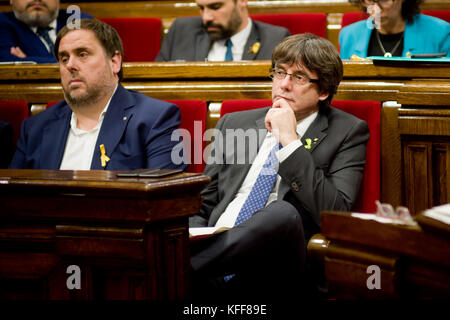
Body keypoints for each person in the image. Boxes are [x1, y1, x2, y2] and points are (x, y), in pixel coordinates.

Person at [189, 33, 370, 299]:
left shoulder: (348, 132)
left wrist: (290, 141)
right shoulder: (234, 123)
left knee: (282, 212)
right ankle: (193, 266)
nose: (283, 85)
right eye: (279, 73)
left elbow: (335, 214)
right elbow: (202, 204)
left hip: (277, 269)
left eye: (299, 78)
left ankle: (181, 269)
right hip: (215, 269)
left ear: (323, 91)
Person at [9, 19, 185, 171]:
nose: (70, 65)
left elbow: (162, 203)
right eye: (64, 59)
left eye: (82, 54)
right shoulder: (35, 128)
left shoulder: (154, 119)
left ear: (114, 62)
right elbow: (11, 200)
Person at [155, 0, 290, 62]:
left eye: (216, 7)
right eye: (201, 8)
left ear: (242, 1)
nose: (206, 17)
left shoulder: (275, 39)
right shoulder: (181, 31)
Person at [340, 0, 450, 59]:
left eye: (384, 0)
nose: (376, 9)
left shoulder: (440, 33)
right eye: (370, 0)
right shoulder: (348, 35)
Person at [0, 0, 93, 63]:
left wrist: (26, 61)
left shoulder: (79, 20)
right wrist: (74, 61)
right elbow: (6, 60)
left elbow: (97, 60)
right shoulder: (2, 23)